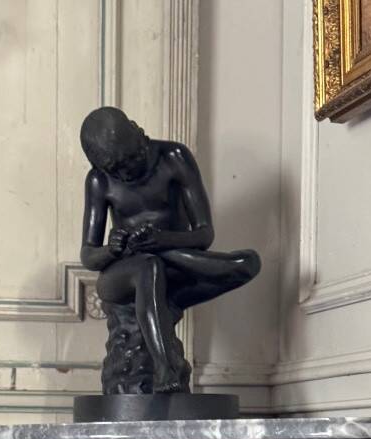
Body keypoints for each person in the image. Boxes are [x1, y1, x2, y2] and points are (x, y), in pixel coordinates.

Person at [80, 107, 261, 394]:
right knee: (148, 267)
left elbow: (204, 234)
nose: (126, 172)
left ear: (140, 134)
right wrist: (113, 249)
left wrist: (161, 241)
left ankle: (165, 302)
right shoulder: (98, 181)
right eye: (116, 169)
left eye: (131, 160)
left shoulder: (174, 158)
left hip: (171, 258)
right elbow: (89, 255)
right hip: (122, 274)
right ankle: (167, 370)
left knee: (247, 263)